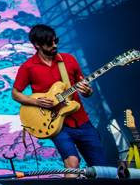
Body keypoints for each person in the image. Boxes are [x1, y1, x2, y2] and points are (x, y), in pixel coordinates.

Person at [11, 24, 106, 169]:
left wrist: (87, 92)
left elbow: (87, 90)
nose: (54, 45)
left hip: (82, 121)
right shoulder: (28, 67)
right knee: (72, 163)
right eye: (49, 43)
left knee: (101, 168)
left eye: (56, 41)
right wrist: (36, 101)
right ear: (37, 44)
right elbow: (15, 94)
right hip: (56, 124)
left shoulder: (69, 60)